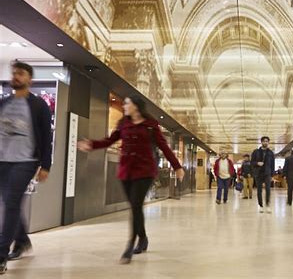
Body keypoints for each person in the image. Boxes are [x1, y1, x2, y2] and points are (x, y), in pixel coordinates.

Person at [78, 95, 184, 264]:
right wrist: (91, 144)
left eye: (127, 103)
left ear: (136, 106)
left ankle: (129, 245)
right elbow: (109, 140)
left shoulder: (150, 125)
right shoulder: (123, 123)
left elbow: (164, 146)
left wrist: (177, 166)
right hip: (126, 171)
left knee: (135, 205)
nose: (124, 106)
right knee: (135, 207)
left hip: (145, 171)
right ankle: (143, 237)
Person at [0, 62, 53, 274]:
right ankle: (21, 240)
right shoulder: (4, 103)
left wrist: (45, 165)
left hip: (25, 161)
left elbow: (46, 138)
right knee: (9, 202)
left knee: (12, 201)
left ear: (29, 79)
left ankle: (2, 254)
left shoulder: (39, 105)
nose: (16, 77)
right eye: (14, 73)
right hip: (3, 160)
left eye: (20, 74)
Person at [251, 136, 275, 213]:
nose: (265, 142)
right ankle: (261, 206)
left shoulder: (270, 153)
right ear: (261, 142)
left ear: (268, 142)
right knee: (259, 190)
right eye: (264, 141)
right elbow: (252, 163)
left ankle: (268, 205)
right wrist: (257, 163)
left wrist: (272, 175)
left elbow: (272, 165)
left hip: (267, 173)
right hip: (258, 173)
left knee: (268, 189)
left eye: (267, 141)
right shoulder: (256, 152)